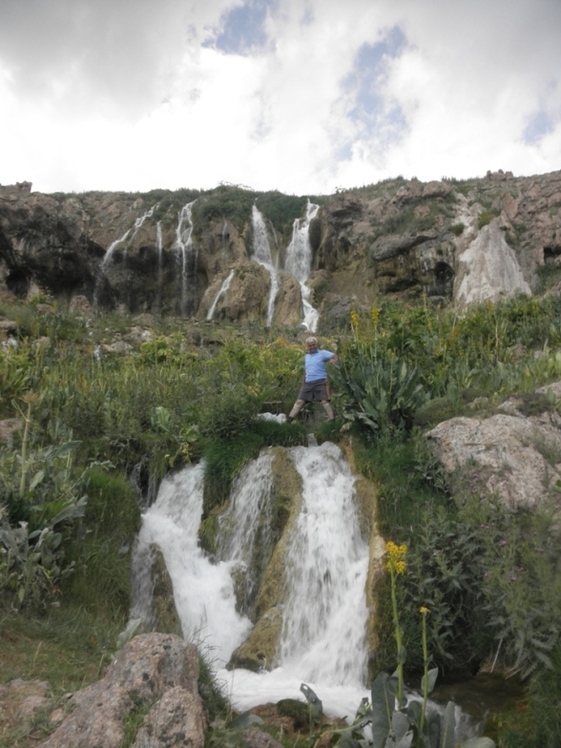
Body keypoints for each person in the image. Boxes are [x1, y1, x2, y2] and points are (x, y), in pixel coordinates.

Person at [288, 336, 339, 422]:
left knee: (324, 402)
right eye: (310, 345)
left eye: (313, 345)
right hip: (308, 383)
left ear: (316, 344)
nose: (312, 347)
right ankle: (288, 422)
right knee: (299, 402)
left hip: (320, 381)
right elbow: (306, 371)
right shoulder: (306, 357)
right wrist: (302, 383)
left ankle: (332, 422)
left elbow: (335, 356)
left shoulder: (323, 353)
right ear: (307, 346)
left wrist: (332, 361)